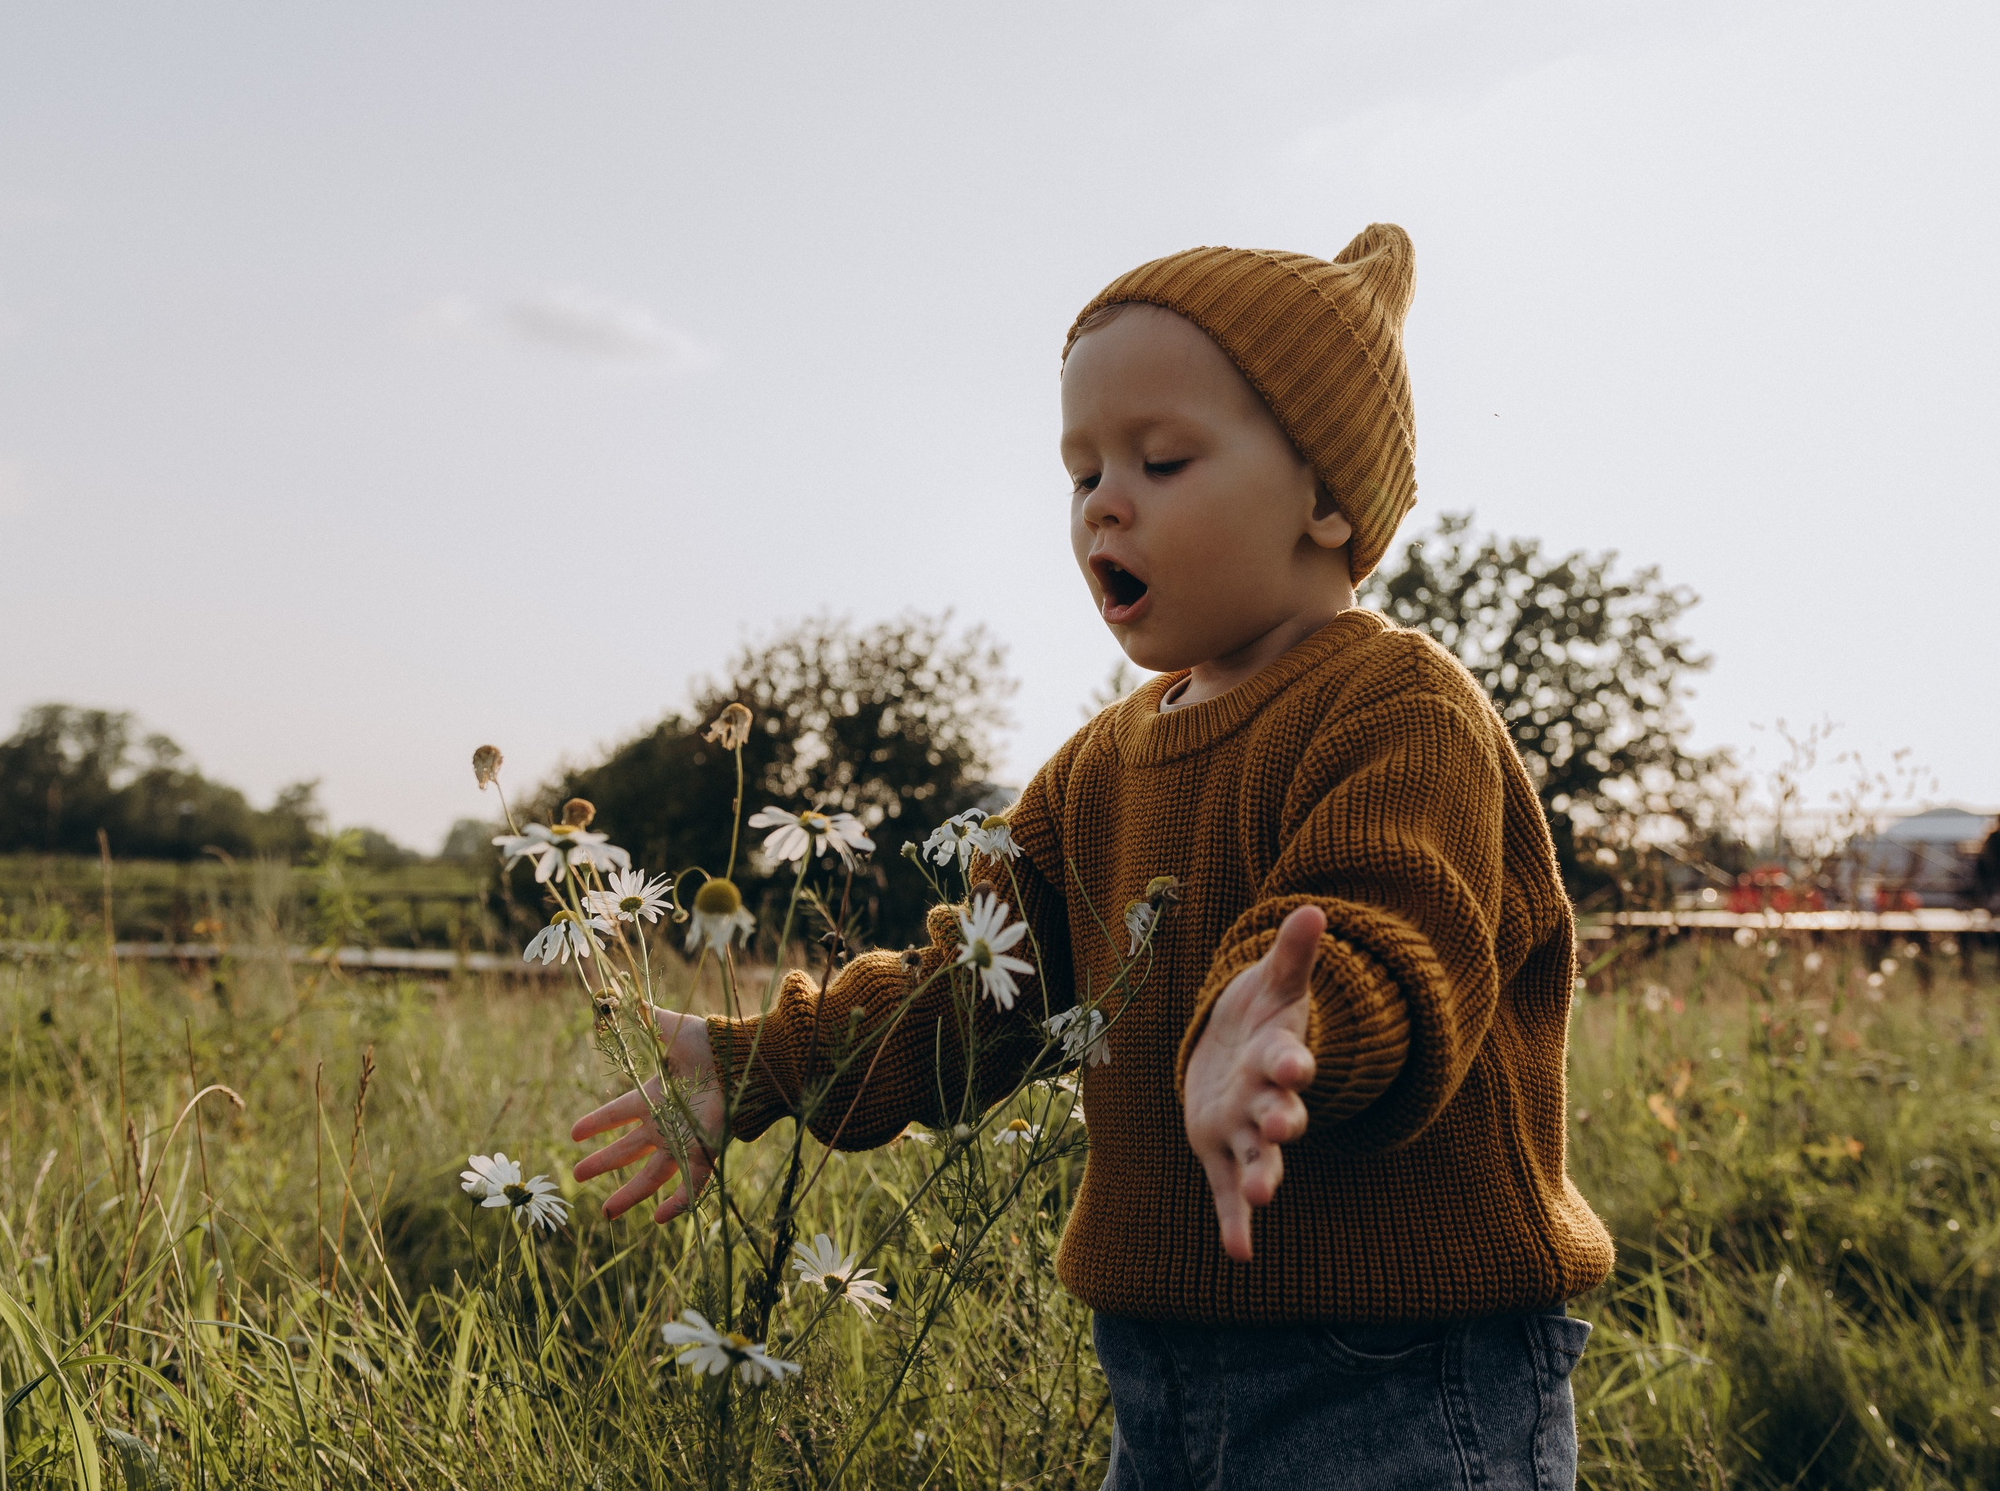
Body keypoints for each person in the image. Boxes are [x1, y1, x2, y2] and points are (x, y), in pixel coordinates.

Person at [569, 225, 1610, 1489]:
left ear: (1328, 498)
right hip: (1156, 1369)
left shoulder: (1398, 704)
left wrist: (1283, 1027)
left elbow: (1390, 925)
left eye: (1161, 459)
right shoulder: (1090, 772)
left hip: (1397, 1369)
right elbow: (974, 995)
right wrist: (760, 1062)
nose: (1104, 500)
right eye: (1081, 473)